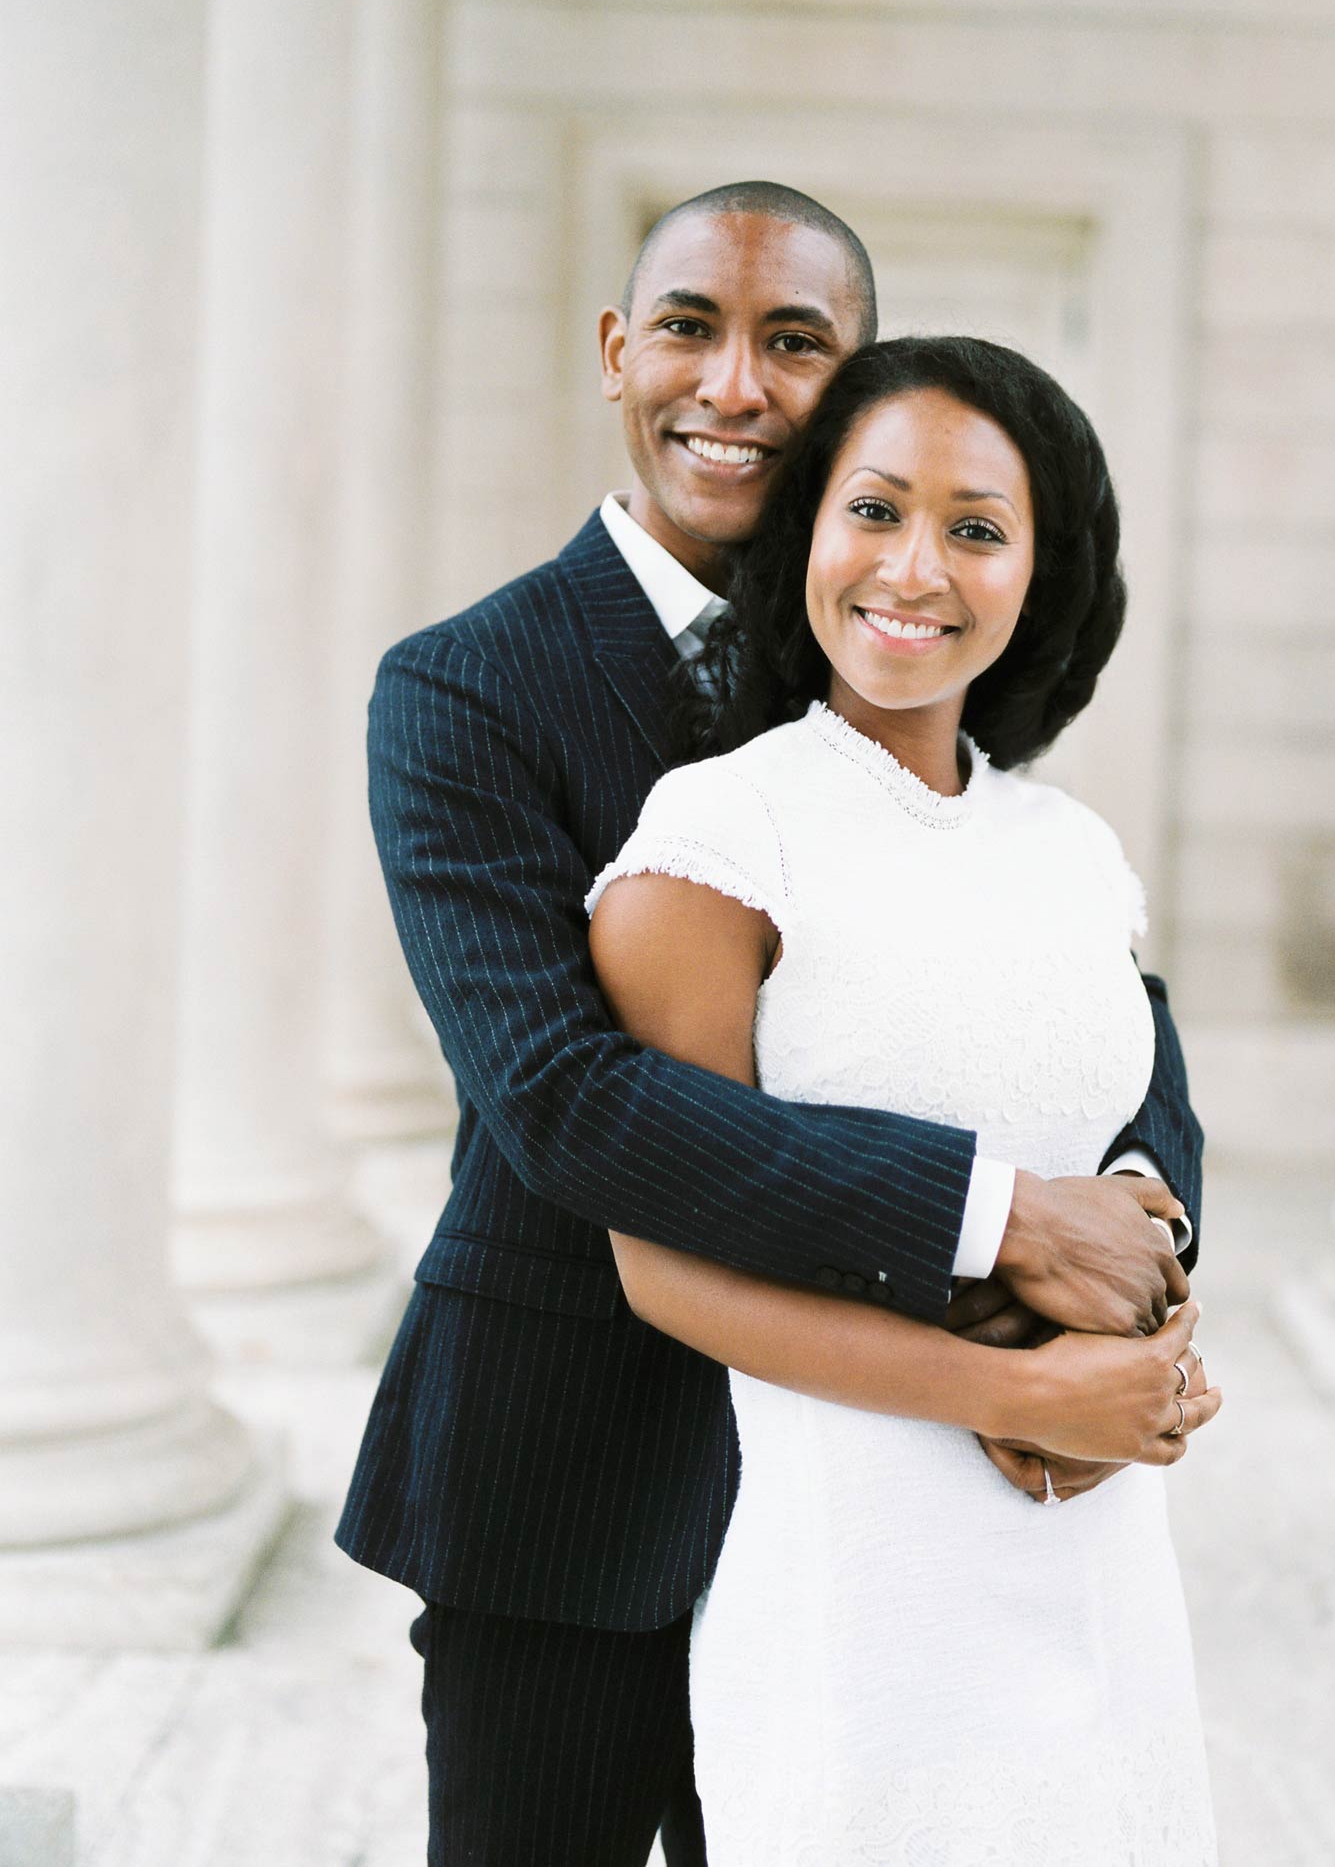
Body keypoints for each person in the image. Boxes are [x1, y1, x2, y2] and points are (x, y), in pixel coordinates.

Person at [336, 184, 1205, 1865]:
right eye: (688, 328)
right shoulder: (463, 688)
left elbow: (1106, 1023)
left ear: (861, 386)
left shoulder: (905, 667)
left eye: (796, 344)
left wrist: (1148, 1252)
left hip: (879, 1517)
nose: (734, 385)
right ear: (615, 352)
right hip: (574, 1475)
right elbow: (565, 1102)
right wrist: (1007, 1222)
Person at [586, 333, 1220, 1864]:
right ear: (806, 527)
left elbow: (1123, 1148)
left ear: (1041, 570)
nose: (914, 567)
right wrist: (1019, 1390)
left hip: (1106, 1563)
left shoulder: (1073, 848)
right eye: (873, 509)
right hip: (857, 1593)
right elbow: (663, 1264)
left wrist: (1158, 1320)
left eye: (977, 527)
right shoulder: (727, 827)